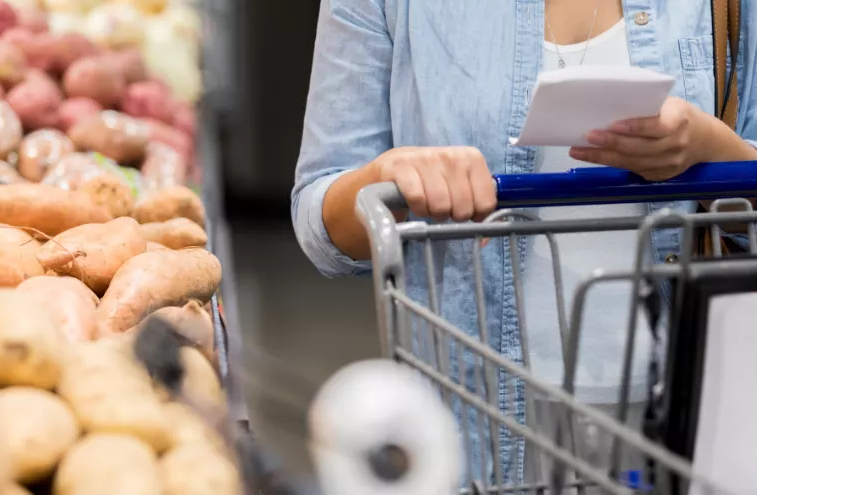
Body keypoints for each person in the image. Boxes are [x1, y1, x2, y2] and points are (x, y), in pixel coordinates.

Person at [290, 0, 757, 486]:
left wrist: (712, 149)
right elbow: (318, 214)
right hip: (470, 415)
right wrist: (389, 177)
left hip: (697, 410)